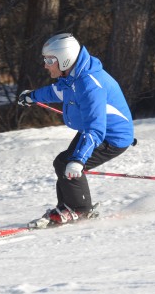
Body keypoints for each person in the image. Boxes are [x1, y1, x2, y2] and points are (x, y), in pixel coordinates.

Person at [18, 33, 135, 228]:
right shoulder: (73, 77)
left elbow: (96, 129)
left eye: (49, 60)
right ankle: (66, 207)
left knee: (69, 165)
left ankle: (80, 210)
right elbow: (56, 92)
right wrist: (32, 96)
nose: (45, 65)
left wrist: (79, 160)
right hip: (94, 132)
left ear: (65, 59)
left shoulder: (89, 85)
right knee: (62, 162)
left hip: (110, 137)